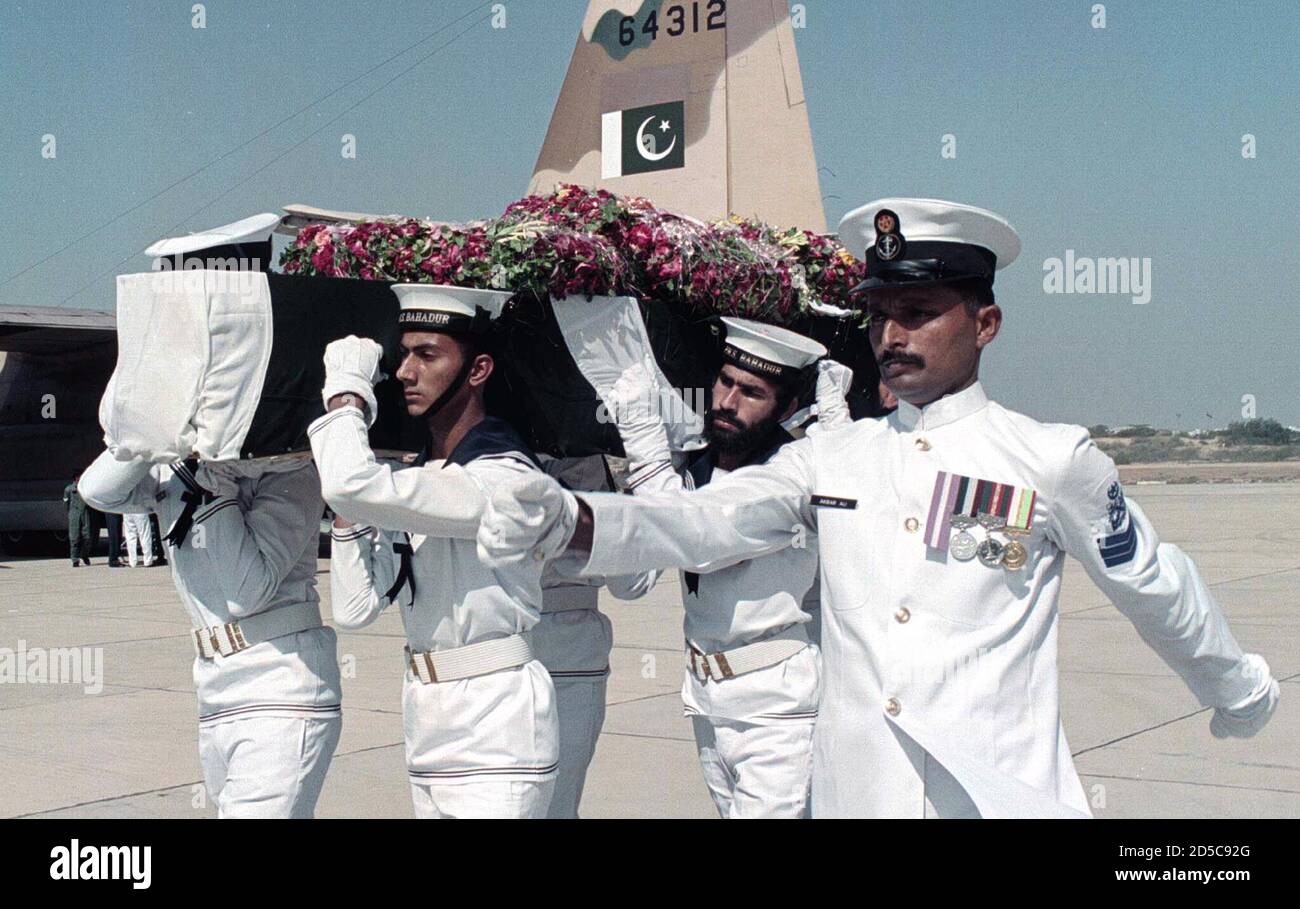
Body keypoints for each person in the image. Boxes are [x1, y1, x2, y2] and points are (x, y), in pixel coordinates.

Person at [477, 198, 1280, 818]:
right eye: (880, 315)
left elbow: (1153, 582)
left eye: (920, 312)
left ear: (986, 323)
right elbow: (704, 520)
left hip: (988, 795)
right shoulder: (836, 456)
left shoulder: (1047, 459)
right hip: (856, 792)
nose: (891, 335)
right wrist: (574, 520)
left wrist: (1236, 689)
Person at [79, 218, 341, 818]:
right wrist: (153, 427)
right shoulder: (173, 449)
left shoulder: (290, 461)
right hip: (217, 685)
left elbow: (248, 589)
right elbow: (101, 492)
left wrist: (207, 473)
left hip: (283, 684)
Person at [576, 318, 852, 818]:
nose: (727, 401)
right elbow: (630, 583)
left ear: (787, 407)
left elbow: (698, 542)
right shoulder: (694, 468)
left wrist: (646, 448)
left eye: (752, 392)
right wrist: (643, 479)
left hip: (777, 709)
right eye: (725, 382)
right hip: (707, 698)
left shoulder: (787, 479)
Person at [312, 284, 557, 819]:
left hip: (497, 727)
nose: (404, 372)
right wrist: (355, 514)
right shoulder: (422, 478)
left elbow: (351, 482)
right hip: (427, 718)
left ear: (478, 370)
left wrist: (348, 397)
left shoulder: (504, 477)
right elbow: (354, 611)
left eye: (427, 355)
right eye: (403, 354)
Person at [62, 475, 93, 566]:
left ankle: (84, 555)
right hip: (74, 515)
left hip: (85, 513)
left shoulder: (86, 488)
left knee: (87, 537)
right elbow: (66, 503)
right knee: (74, 538)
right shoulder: (69, 490)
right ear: (76, 478)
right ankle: (75, 559)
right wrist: (71, 513)